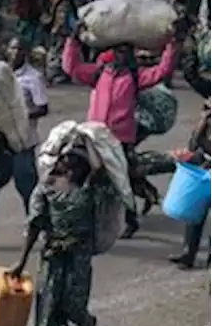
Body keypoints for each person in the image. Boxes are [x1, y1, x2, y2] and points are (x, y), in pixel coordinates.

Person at [62, 23, 181, 237]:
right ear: (113, 52)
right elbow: (72, 68)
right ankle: (84, 216)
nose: (123, 55)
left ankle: (130, 219)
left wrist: (172, 45)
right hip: (93, 134)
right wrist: (73, 40)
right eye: (119, 51)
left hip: (120, 138)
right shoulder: (100, 73)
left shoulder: (135, 77)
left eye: (127, 52)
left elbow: (162, 71)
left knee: (120, 179)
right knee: (80, 173)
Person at [10, 145, 107, 326]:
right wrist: (21, 262)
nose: (70, 165)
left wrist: (87, 142)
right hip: (53, 254)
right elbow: (34, 225)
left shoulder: (90, 186)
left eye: (77, 161)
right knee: (46, 303)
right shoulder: (47, 187)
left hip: (79, 255)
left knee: (74, 304)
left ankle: (86, 323)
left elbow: (100, 169)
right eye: (67, 160)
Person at [168, 59, 212, 268]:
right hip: (206, 169)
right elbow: (194, 146)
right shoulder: (207, 123)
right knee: (196, 210)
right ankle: (188, 254)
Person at [6, 38, 50, 212]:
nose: (16, 53)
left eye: (20, 49)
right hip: (2, 139)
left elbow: (43, 108)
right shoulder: (2, 73)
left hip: (23, 140)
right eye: (13, 48)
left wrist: (22, 115)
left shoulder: (33, 77)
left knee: (26, 186)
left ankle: (36, 219)